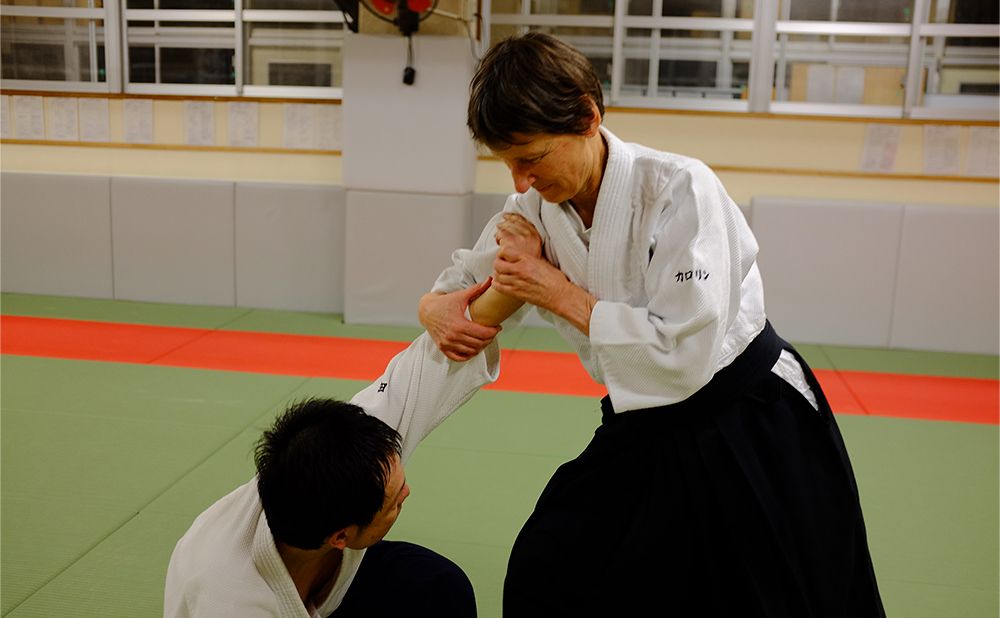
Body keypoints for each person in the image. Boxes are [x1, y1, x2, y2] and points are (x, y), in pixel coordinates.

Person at [418, 32, 886, 617]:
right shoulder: (534, 211)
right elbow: (458, 284)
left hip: (745, 413)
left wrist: (557, 292)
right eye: (507, 163)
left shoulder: (680, 189)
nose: (517, 181)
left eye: (530, 158)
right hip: (641, 422)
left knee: (778, 593)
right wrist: (432, 307)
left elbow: (681, 355)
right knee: (552, 565)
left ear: (587, 117)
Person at [163, 271, 537, 617]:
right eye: (393, 503)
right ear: (341, 535)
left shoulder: (354, 449)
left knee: (437, 585)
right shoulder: (226, 600)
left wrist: (518, 270)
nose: (406, 492)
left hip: (330, 581)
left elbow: (440, 354)